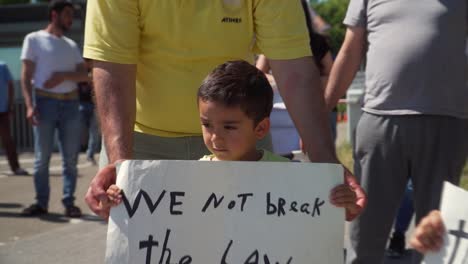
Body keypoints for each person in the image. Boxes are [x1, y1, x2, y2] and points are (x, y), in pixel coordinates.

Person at [83, 0, 366, 220]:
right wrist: (121, 165)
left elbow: (293, 69)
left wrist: (327, 165)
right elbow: (112, 66)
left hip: (239, 141)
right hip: (142, 143)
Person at [106, 60, 361, 221]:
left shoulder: (289, 177)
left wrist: (341, 204)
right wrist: (120, 198)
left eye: (229, 127)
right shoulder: (187, 179)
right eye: (206, 125)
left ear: (261, 128)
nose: (215, 137)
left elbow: (328, 219)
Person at [324, 0, 468, 263]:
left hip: (446, 124)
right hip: (380, 120)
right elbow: (349, 52)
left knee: (438, 241)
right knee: (365, 232)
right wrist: (322, 112)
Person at [20, 0, 90, 217]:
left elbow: (85, 76)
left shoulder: (70, 45)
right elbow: (26, 75)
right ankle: (41, 202)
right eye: (67, 14)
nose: (71, 19)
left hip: (71, 103)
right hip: (44, 102)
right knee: (42, 159)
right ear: (54, 15)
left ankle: (69, 202)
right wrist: (29, 106)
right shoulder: (33, 39)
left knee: (70, 158)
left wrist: (63, 76)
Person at [256, 0, 336, 154]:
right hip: (279, 114)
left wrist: (302, 81)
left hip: (314, 110)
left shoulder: (318, 43)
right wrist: (285, 80)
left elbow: (332, 77)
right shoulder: (272, 42)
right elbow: (258, 74)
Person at [0, 62, 29, 176]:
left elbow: (10, 85)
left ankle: (15, 167)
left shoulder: (2, 66)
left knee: (7, 139)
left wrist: (10, 104)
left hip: (2, 109)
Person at [78, 59, 100, 165]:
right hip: (80, 105)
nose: (87, 63)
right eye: (86, 60)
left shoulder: (96, 71)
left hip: (93, 105)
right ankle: (78, 151)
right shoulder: (78, 71)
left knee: (94, 132)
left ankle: (90, 154)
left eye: (89, 60)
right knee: (79, 131)